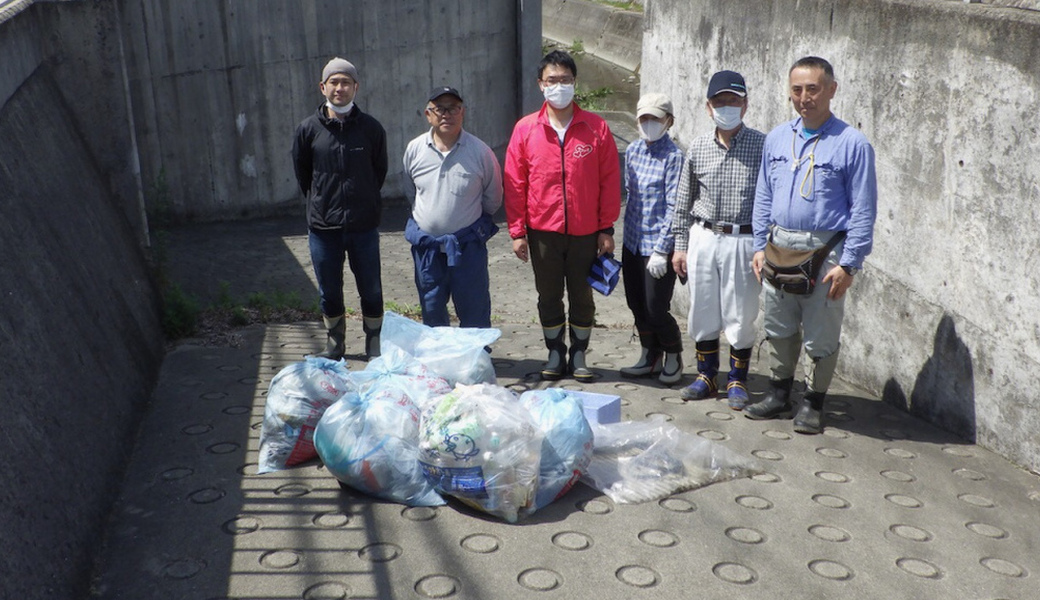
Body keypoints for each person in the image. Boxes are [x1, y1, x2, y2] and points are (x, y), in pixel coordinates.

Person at [745, 56, 877, 434]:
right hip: (779, 245)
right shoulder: (776, 138)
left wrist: (849, 264)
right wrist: (759, 246)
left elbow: (864, 209)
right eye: (797, 90)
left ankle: (814, 402)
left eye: (813, 89)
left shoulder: (852, 144)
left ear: (831, 90)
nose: (805, 98)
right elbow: (763, 196)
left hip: (826, 251)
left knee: (821, 331)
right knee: (778, 323)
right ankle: (778, 392)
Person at [504, 50, 621, 382]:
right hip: (543, 231)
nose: (559, 86)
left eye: (565, 80)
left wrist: (606, 227)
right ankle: (555, 350)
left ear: (575, 83)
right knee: (549, 294)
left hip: (586, 231)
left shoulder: (595, 128)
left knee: (582, 294)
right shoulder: (526, 129)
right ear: (541, 85)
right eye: (552, 80)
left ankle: (579, 352)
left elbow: (609, 180)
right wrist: (517, 232)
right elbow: (515, 183)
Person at [672, 70, 766, 409]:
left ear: (745, 104)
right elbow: (683, 200)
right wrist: (680, 245)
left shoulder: (762, 145)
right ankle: (705, 375)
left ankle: (738, 379)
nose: (727, 106)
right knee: (703, 308)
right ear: (708, 107)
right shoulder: (697, 146)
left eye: (733, 100)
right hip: (703, 235)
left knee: (741, 311)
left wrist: (764, 246)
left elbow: (769, 199)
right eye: (719, 101)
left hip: (743, 238)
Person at [292, 57, 388, 360]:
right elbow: (303, 174)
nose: (340, 87)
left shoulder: (371, 129)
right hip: (324, 229)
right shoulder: (308, 130)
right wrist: (324, 201)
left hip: (363, 227)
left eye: (346, 82)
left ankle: (374, 344)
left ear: (355, 87)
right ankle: (335, 345)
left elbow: (379, 172)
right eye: (333, 81)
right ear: (323, 87)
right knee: (329, 291)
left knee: (371, 289)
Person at [402, 86, 503, 328]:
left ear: (463, 112)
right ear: (428, 114)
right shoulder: (414, 149)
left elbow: (493, 199)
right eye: (440, 109)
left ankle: (475, 361)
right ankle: (438, 362)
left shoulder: (481, 152)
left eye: (453, 108)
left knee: (474, 309)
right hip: (428, 249)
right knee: (431, 308)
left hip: (467, 248)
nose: (447, 114)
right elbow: (410, 192)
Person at [619, 93, 685, 385]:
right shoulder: (632, 150)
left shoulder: (674, 157)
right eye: (644, 118)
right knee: (636, 303)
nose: (649, 124)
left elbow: (674, 207)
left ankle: (673, 353)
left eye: (655, 119)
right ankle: (649, 354)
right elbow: (629, 196)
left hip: (657, 246)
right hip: (632, 241)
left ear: (668, 121)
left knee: (656, 306)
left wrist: (662, 250)